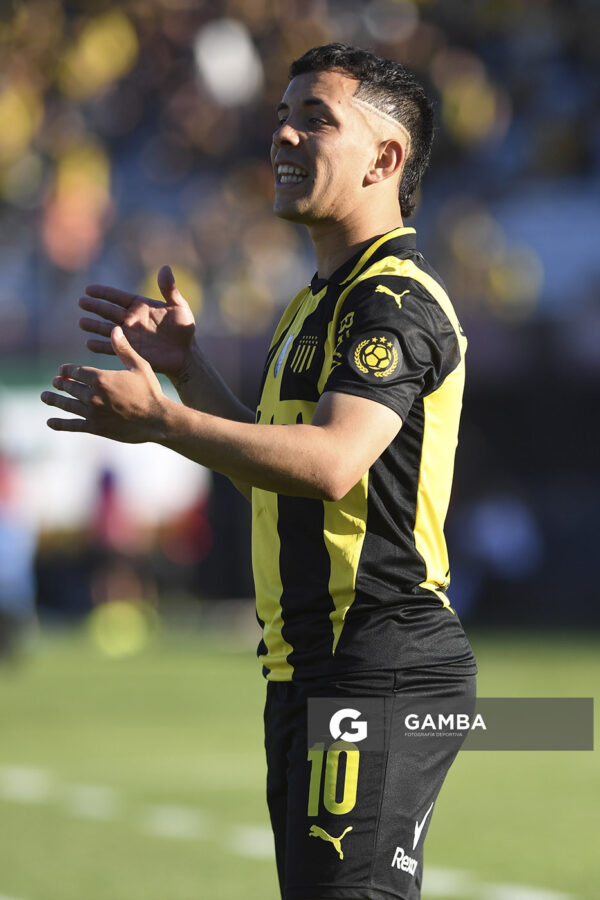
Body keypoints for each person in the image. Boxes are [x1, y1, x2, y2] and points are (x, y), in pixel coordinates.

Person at [42, 43, 476, 900]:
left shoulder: (394, 300)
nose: (282, 135)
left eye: (316, 119)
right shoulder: (314, 303)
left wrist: (165, 422)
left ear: (385, 158)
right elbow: (280, 478)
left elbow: (333, 464)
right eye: (282, 116)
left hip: (377, 665)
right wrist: (191, 374)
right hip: (309, 668)